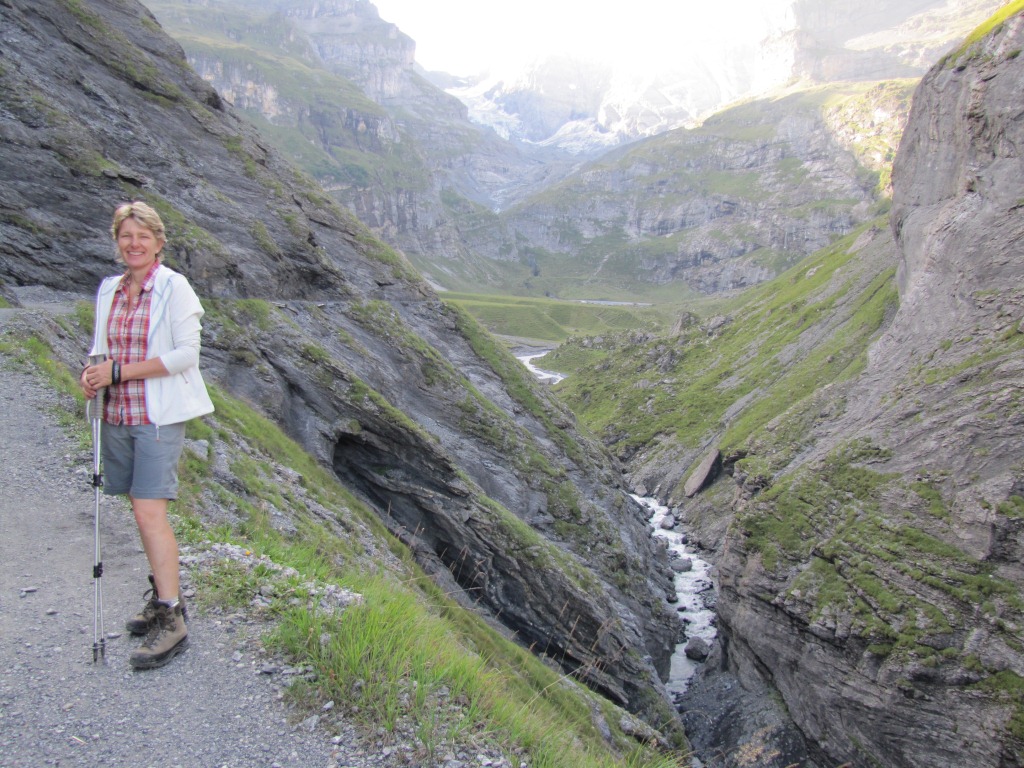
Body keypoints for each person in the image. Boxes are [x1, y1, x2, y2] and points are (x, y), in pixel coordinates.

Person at [80, 201, 214, 669]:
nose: (134, 244)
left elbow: (186, 356)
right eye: (126, 236)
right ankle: (162, 595)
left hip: (158, 416)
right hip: (118, 413)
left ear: (159, 242)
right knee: (140, 510)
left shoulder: (175, 287)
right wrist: (93, 374)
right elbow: (101, 349)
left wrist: (119, 371)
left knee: (149, 511)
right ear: (117, 241)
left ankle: (172, 618)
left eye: (143, 236)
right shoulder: (109, 289)